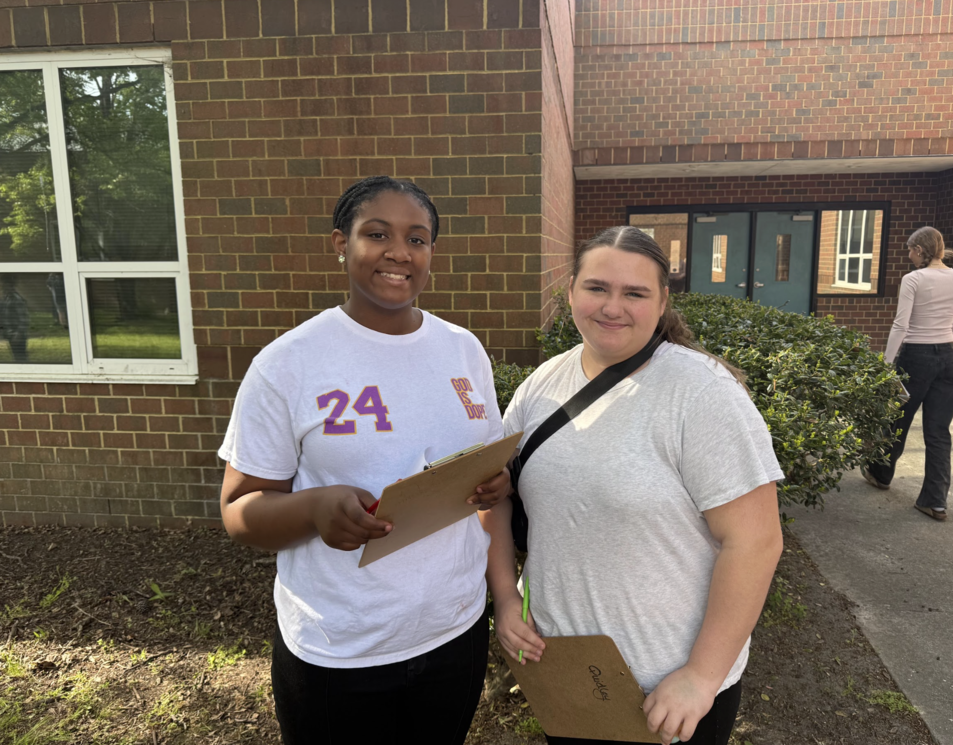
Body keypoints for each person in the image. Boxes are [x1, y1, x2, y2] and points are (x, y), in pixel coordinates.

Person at [218, 176, 510, 745]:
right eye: (377, 234)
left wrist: (489, 484)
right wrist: (315, 508)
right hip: (341, 648)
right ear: (340, 243)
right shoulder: (289, 364)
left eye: (418, 239)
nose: (400, 252)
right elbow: (238, 511)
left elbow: (481, 470)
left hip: (456, 630)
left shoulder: (462, 349)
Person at [481, 226, 785, 745]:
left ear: (663, 301)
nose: (612, 307)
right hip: (566, 671)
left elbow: (756, 542)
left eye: (635, 293)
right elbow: (494, 496)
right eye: (597, 288)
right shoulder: (541, 385)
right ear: (570, 290)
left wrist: (701, 677)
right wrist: (507, 598)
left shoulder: (701, 393)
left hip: (668, 692)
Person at [861, 226, 953, 522]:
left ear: (919, 251)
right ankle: (935, 502)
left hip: (915, 359)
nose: (908, 255)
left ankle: (881, 474)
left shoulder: (913, 279)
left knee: (898, 420)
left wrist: (885, 364)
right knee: (938, 432)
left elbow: (901, 325)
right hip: (949, 359)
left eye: (909, 249)